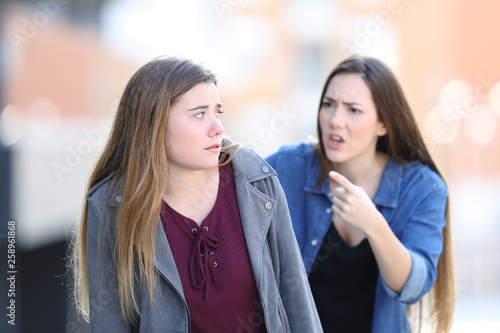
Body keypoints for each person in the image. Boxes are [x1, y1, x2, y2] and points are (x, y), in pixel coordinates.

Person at [70, 57, 322, 333]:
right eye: (200, 115)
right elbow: (109, 324)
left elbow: (296, 295)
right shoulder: (111, 207)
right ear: (153, 124)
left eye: (218, 112)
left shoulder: (256, 182)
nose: (218, 128)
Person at [266, 55, 455, 332]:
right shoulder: (287, 168)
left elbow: (413, 286)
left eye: (353, 110)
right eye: (329, 105)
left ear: (383, 124)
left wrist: (374, 224)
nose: (335, 121)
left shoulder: (423, 188)